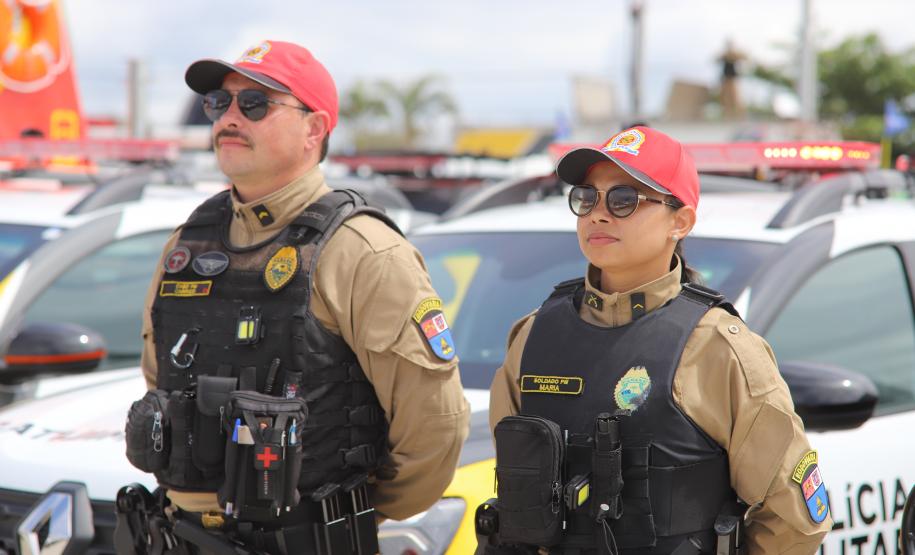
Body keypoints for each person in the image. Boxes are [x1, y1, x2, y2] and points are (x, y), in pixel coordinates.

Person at [122, 40, 469, 554]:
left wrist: (338, 513)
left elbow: (433, 430)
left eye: (255, 104)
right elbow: (163, 380)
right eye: (219, 104)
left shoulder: (363, 252)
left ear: (314, 128)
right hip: (183, 538)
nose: (229, 117)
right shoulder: (186, 245)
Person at [481, 126, 832, 554]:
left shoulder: (718, 347)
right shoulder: (533, 335)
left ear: (679, 221)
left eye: (624, 199)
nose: (599, 214)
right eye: (587, 197)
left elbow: (793, 522)